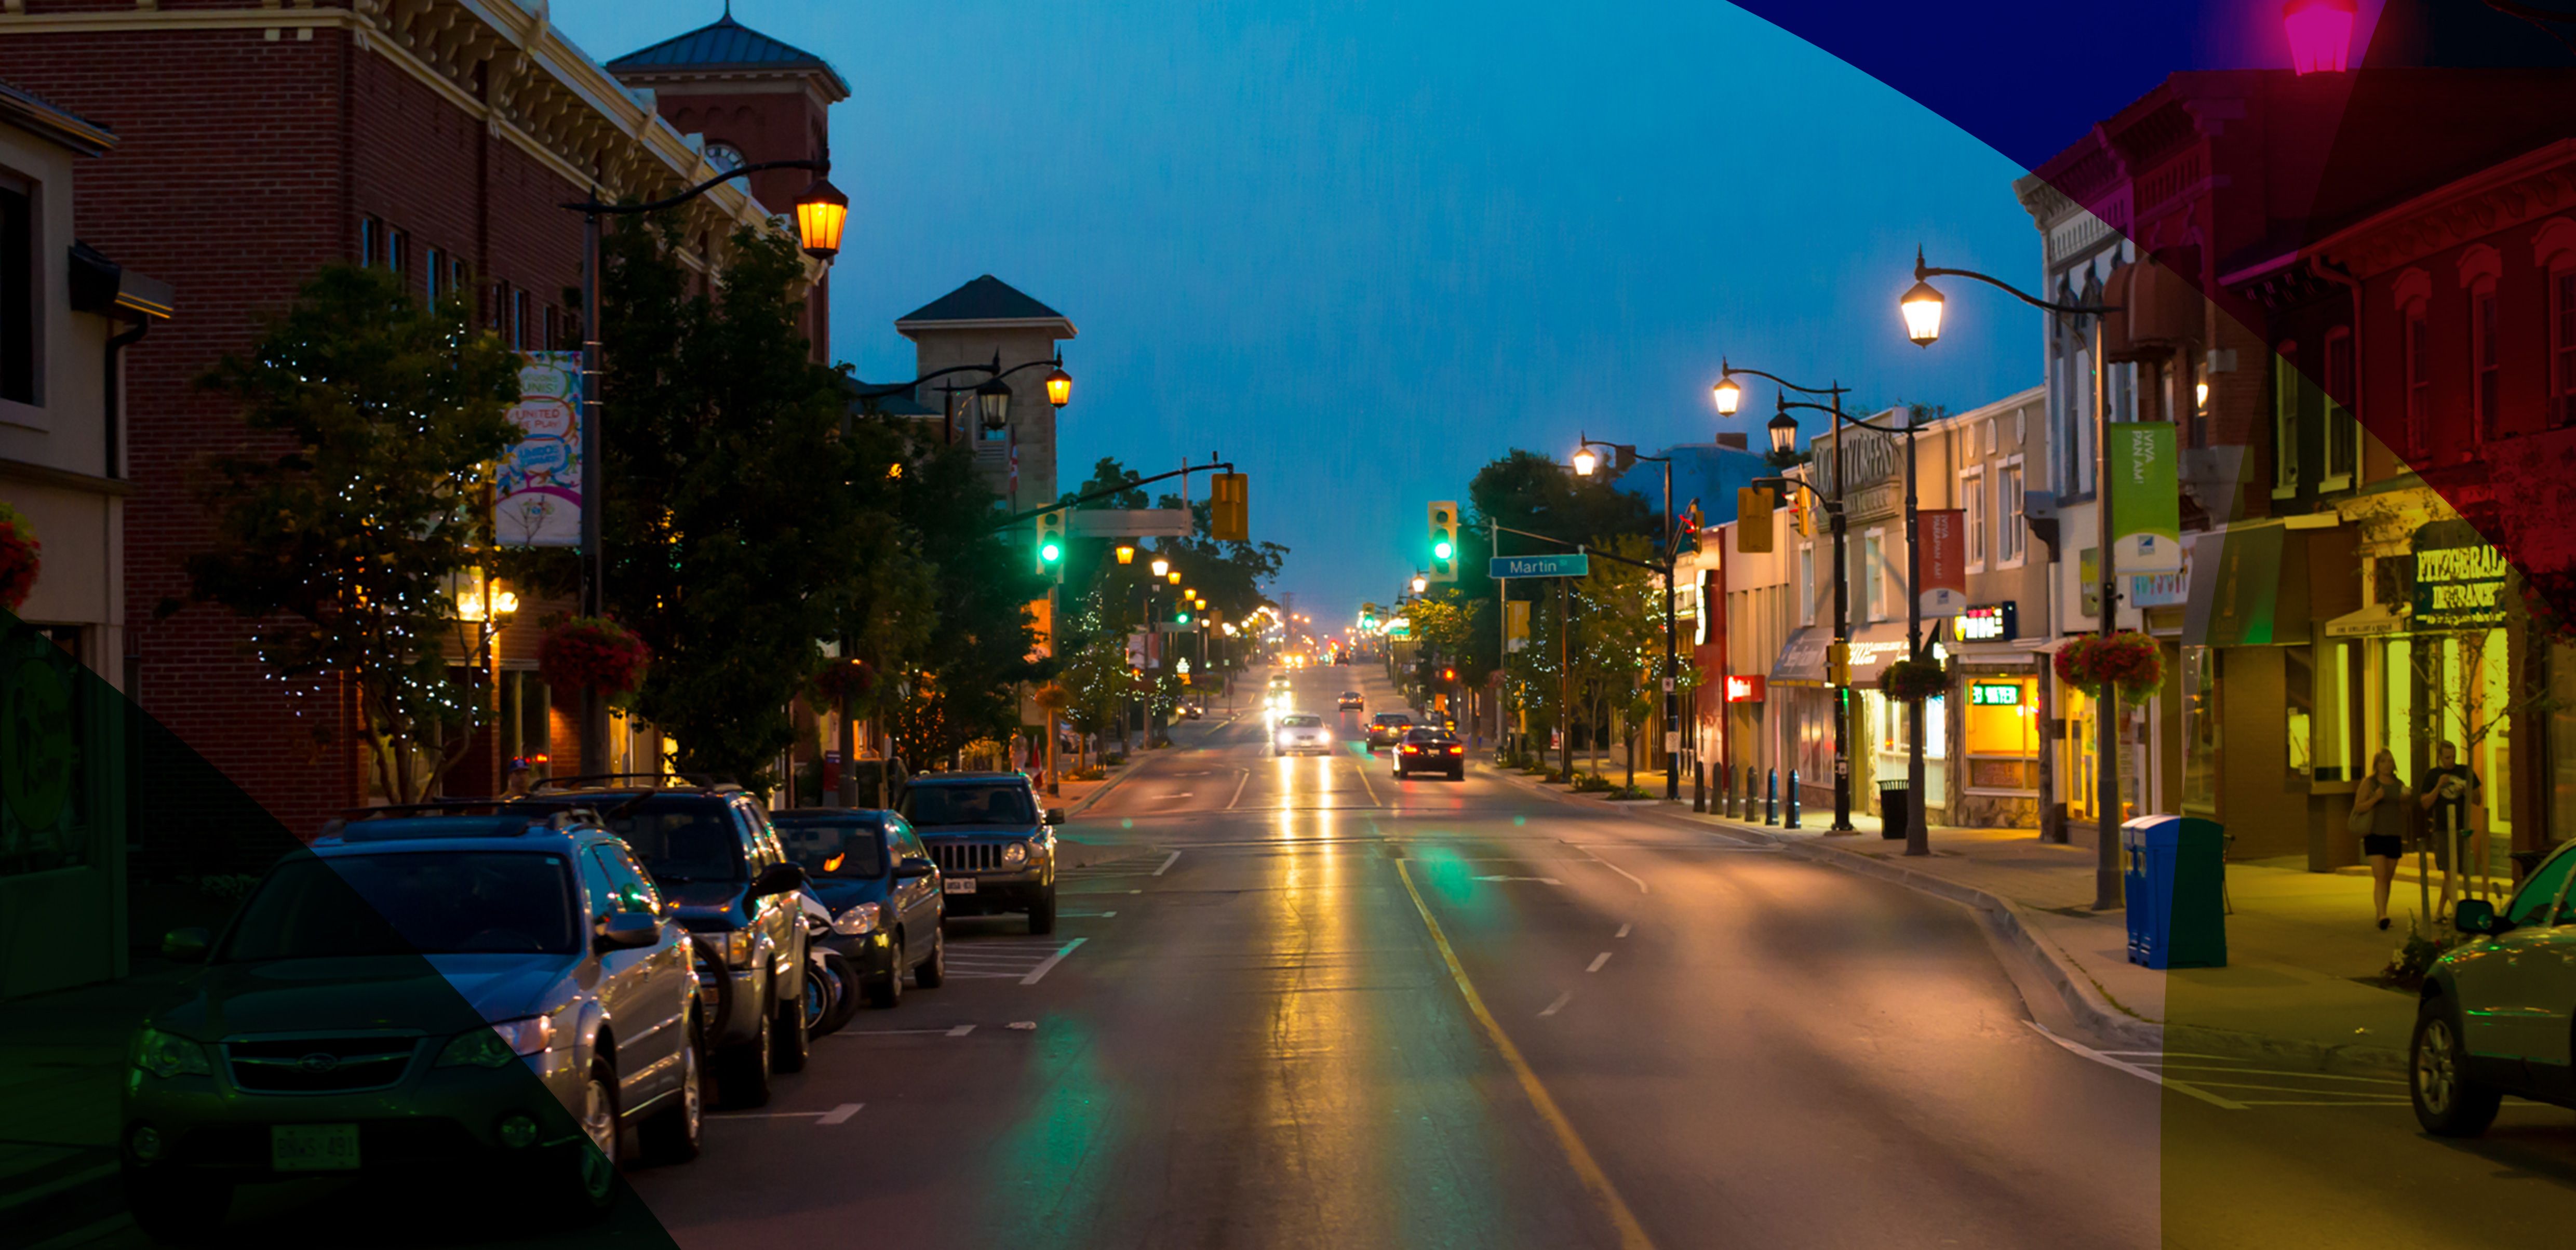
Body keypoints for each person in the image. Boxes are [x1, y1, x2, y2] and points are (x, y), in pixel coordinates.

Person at [2418, 741, 2484, 913]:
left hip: (2461, 827)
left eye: (2453, 757)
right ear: (2440, 757)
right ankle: (2457, 909)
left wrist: (2466, 790)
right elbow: (2425, 803)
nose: (2451, 761)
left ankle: (2440, 911)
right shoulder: (2433, 775)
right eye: (2447, 757)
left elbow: (2478, 799)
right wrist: (2439, 786)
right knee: (2449, 872)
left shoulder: (2464, 771)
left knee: (2455, 872)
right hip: (2442, 828)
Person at [2353, 747, 2410, 931]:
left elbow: (2405, 812)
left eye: (2390, 761)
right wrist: (2375, 799)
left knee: (2389, 877)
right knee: (2380, 876)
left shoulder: (2398, 783)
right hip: (2375, 833)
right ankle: (2383, 914)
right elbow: (2359, 807)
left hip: (2393, 833)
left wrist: (2405, 800)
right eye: (2383, 761)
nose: (2387, 765)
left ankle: (2381, 913)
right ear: (2377, 765)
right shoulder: (2370, 783)